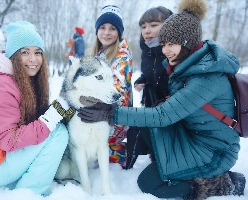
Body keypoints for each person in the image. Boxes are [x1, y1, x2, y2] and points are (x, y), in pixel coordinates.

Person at [77, 0, 246, 199]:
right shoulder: (187, 65)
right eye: (163, 44)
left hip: (214, 151)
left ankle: (225, 184)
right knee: (145, 128)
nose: (165, 50)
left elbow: (163, 116)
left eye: (171, 44)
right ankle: (174, 166)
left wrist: (110, 113)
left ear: (187, 42)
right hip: (192, 135)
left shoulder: (206, 77)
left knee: (148, 182)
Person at [0, 21, 74, 196]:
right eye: (25, 52)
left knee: (55, 129)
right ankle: (29, 193)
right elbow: (8, 139)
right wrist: (50, 119)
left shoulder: (24, 79)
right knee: (58, 133)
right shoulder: (1, 85)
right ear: (13, 56)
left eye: (38, 52)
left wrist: (56, 113)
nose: (33, 59)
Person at [126, 6, 173, 169]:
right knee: (137, 126)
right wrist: (142, 79)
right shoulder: (146, 50)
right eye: (143, 26)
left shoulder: (173, 50)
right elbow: (151, 73)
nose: (147, 31)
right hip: (152, 103)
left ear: (168, 25)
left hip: (173, 109)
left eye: (153, 25)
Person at [92, 4, 133, 168]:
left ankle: (121, 153)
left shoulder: (121, 55)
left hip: (115, 117)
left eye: (112, 28)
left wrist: (91, 105)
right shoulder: (101, 52)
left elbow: (118, 92)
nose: (106, 33)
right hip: (103, 111)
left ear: (119, 32)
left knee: (87, 146)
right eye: (102, 27)